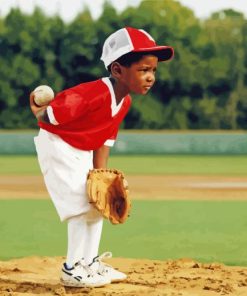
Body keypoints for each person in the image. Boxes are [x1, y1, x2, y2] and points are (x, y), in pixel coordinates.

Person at [30, 27, 174, 288]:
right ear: (118, 70)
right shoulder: (91, 94)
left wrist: (101, 176)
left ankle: (90, 262)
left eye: (153, 70)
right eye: (143, 70)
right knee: (80, 205)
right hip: (58, 144)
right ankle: (72, 268)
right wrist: (39, 108)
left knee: (98, 202)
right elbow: (49, 117)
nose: (151, 77)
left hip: (83, 148)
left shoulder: (124, 101)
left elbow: (106, 139)